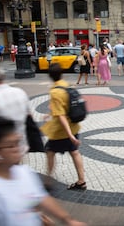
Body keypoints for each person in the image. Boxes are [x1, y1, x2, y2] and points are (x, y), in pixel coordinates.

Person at [0, 117, 87, 226]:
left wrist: (68, 220)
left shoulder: (24, 172)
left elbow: (41, 197)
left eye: (18, 142)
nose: (19, 149)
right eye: (11, 145)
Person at [41, 63, 87, 191]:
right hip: (74, 126)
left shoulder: (55, 92)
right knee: (74, 152)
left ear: (50, 76)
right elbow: (65, 106)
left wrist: (70, 136)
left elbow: (61, 115)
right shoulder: (67, 85)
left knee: (50, 152)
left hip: (60, 131)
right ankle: (81, 180)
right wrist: (50, 114)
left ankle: (48, 180)